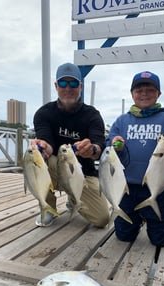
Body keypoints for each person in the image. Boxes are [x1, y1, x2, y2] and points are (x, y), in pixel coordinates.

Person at [106, 71, 164, 247]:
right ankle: (138, 218)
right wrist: (114, 144)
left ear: (158, 93)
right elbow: (107, 148)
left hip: (157, 187)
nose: (144, 93)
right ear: (132, 94)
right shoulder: (122, 121)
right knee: (123, 236)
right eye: (139, 89)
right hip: (126, 188)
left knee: (162, 241)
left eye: (150, 90)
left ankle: (149, 217)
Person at [32, 62, 110, 227]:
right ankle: (48, 208)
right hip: (56, 168)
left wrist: (92, 150)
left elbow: (99, 147)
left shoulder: (92, 115)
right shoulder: (43, 113)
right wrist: (44, 147)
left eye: (73, 83)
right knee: (36, 158)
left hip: (84, 173)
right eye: (63, 83)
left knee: (102, 219)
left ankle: (73, 198)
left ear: (80, 86)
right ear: (56, 85)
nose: (68, 88)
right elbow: (48, 144)